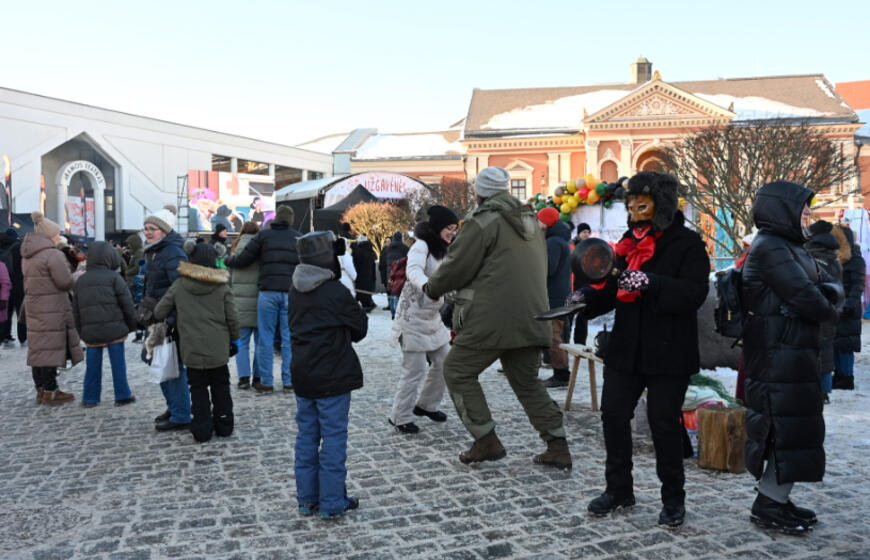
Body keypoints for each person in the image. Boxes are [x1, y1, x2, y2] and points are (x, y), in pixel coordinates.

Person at [575, 171, 710, 527]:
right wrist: (584, 298)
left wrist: (653, 282)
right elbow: (610, 290)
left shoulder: (688, 244)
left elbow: (694, 292)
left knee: (663, 423)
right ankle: (619, 489)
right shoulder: (625, 244)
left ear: (660, 205)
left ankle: (673, 499)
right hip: (626, 349)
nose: (635, 212)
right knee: (613, 415)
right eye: (631, 205)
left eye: (643, 204)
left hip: (669, 351)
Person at [423, 167, 572, 470]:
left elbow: (456, 266)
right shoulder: (531, 220)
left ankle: (485, 440)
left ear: (479, 192)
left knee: (457, 370)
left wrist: (432, 287)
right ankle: (557, 445)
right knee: (526, 381)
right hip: (533, 315)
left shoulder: (482, 222)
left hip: (492, 317)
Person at [741, 181, 840, 535]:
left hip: (791, 354)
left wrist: (827, 295)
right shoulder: (771, 248)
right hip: (777, 355)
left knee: (792, 430)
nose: (808, 216)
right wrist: (827, 298)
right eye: (802, 209)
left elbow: (829, 284)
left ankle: (775, 498)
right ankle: (769, 502)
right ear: (782, 210)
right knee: (784, 430)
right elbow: (812, 299)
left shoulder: (788, 246)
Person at [289, 231, 368, 519]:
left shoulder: (295, 289)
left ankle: (307, 499)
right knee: (334, 439)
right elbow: (360, 329)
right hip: (332, 376)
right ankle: (333, 502)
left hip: (303, 374)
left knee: (307, 438)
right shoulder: (335, 291)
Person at [154, 241, 239, 442]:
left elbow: (159, 311)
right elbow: (232, 318)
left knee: (197, 388)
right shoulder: (222, 286)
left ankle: (201, 430)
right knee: (221, 386)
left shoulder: (179, 285)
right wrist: (235, 338)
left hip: (191, 348)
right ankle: (224, 425)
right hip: (218, 348)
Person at [389, 206, 458, 434]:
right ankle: (399, 416)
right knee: (415, 369)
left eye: (455, 229)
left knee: (445, 363)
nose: (452, 232)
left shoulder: (445, 249)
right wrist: (427, 286)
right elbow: (414, 270)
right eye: (449, 228)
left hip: (432, 317)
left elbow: (449, 277)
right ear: (438, 227)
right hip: (412, 317)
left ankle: (427, 405)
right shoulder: (421, 246)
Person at [224, 205, 300, 393]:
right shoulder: (298, 237)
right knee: (288, 338)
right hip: (290, 293)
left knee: (265, 338)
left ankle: (266, 381)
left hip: (268, 292)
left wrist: (227, 260)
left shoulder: (264, 236)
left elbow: (243, 260)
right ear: (291, 219)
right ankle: (289, 381)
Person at [22, 212, 84, 404]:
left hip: (34, 306)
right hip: (53, 308)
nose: (59, 237)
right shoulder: (53, 254)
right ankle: (51, 391)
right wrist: (79, 274)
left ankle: (40, 389)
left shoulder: (28, 255)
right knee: (50, 348)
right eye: (56, 234)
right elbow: (64, 282)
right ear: (49, 236)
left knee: (39, 348)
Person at [143, 207, 192, 431]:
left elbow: (180, 287)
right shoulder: (156, 250)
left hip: (167, 319)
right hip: (157, 317)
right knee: (159, 362)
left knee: (170, 365)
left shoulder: (172, 251)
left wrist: (170, 319)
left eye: (152, 229)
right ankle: (174, 407)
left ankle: (181, 414)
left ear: (164, 230)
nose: (148, 233)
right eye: (146, 229)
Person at [72, 241, 138, 407]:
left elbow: (76, 310)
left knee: (92, 367)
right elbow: (127, 304)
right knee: (118, 365)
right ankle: (122, 395)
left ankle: (90, 398)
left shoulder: (81, 280)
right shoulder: (115, 278)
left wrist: (81, 331)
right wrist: (132, 325)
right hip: (115, 329)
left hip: (91, 332)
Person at [805, 221, 843, 403]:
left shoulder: (808, 255)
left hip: (812, 308)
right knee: (827, 348)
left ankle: (814, 389)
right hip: (831, 307)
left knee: (811, 350)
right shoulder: (834, 258)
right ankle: (825, 390)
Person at [536, 207, 572, 387]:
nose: (537, 224)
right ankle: (560, 371)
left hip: (554, 297)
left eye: (539, 221)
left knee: (553, 337)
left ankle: (561, 374)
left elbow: (548, 269)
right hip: (559, 295)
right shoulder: (559, 240)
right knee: (554, 336)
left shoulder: (553, 242)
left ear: (546, 223)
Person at [832, 225, 865, 391]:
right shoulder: (835, 259)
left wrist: (849, 305)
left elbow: (858, 286)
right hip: (836, 307)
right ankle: (839, 375)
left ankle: (847, 377)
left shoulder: (856, 260)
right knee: (836, 343)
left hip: (848, 309)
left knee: (846, 345)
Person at [228, 221, 261, 389]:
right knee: (261, 342)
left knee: (242, 342)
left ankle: (243, 377)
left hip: (239, 301)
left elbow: (228, 277)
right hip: (259, 300)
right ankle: (258, 376)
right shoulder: (262, 248)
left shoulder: (235, 249)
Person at [0, 227, 25, 347]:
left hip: (3, 285)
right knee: (21, 311)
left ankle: (5, 336)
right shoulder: (19, 247)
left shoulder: (1, 246)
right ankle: (22, 337)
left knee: (5, 312)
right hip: (18, 284)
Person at [569, 223, 592, 345]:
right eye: (584, 232)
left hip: (586, 284)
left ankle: (580, 343)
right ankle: (565, 341)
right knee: (570, 314)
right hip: (574, 284)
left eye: (588, 232)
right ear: (578, 233)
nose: (586, 234)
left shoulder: (592, 246)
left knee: (583, 316)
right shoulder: (573, 246)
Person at [380, 231, 409, 319]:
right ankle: (399, 311)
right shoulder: (405, 248)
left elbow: (384, 261)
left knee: (392, 292)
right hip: (401, 273)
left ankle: (393, 312)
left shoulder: (388, 248)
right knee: (400, 293)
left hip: (390, 273)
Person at [352, 234, 377, 312]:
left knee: (360, 292)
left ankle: (365, 306)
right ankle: (368, 305)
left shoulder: (359, 251)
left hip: (360, 276)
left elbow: (355, 262)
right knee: (366, 293)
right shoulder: (371, 251)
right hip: (369, 276)